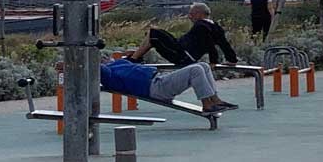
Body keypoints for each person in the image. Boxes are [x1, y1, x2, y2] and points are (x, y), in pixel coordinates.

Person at [101, 59, 237, 114]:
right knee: (195, 70)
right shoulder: (108, 74)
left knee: (203, 65)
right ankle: (207, 104)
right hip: (155, 88)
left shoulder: (115, 64)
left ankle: (216, 100)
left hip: (159, 78)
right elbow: (101, 69)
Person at [129, 3, 238, 66]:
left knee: (154, 33)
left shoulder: (201, 26)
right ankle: (137, 56)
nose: (189, 17)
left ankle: (134, 59)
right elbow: (224, 44)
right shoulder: (215, 26)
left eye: (191, 14)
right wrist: (232, 60)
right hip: (183, 51)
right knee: (154, 33)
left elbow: (209, 43)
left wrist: (213, 62)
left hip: (182, 55)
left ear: (199, 14)